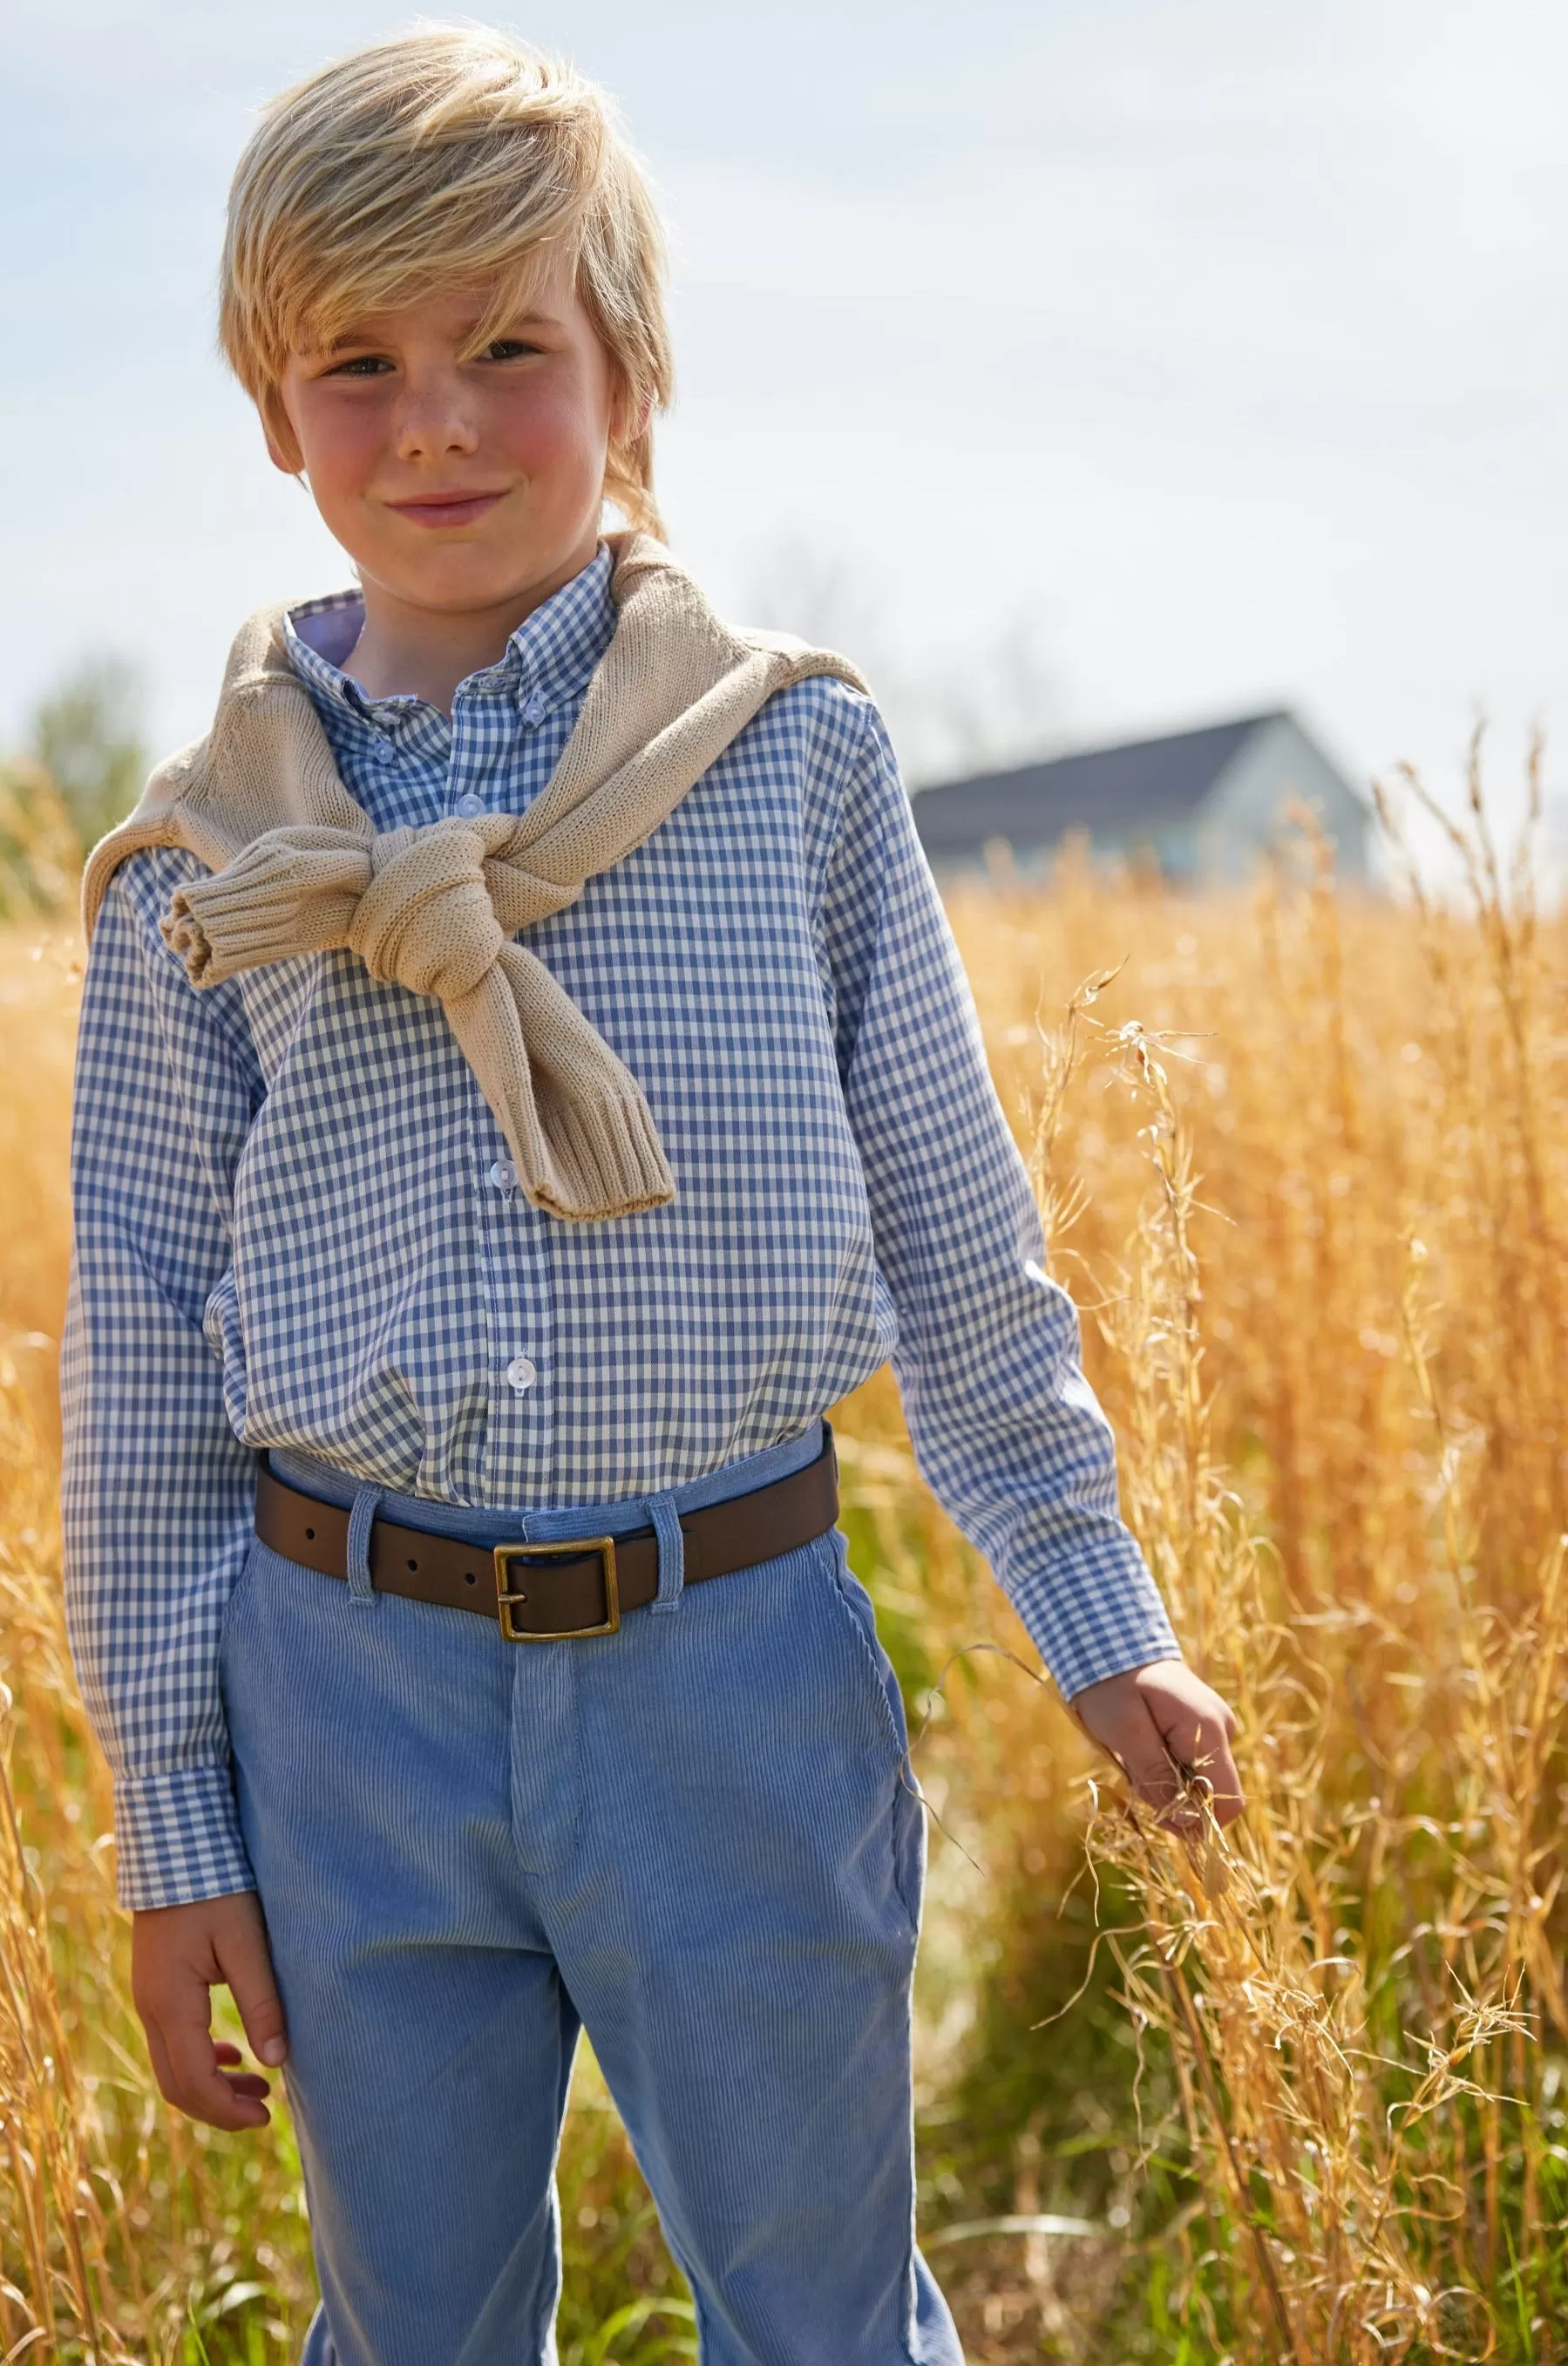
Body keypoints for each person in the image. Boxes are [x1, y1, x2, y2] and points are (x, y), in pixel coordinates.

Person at [61, 25, 1243, 2363]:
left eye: (511, 346)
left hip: (734, 1655)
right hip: (347, 1687)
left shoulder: (788, 758)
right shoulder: (205, 869)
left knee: (815, 2317)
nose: (436, 423)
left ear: (631, 369)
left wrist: (1089, 1600)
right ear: (270, 405)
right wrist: (175, 1822)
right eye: (358, 363)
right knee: (412, 2328)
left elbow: (944, 1208)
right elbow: (139, 1354)